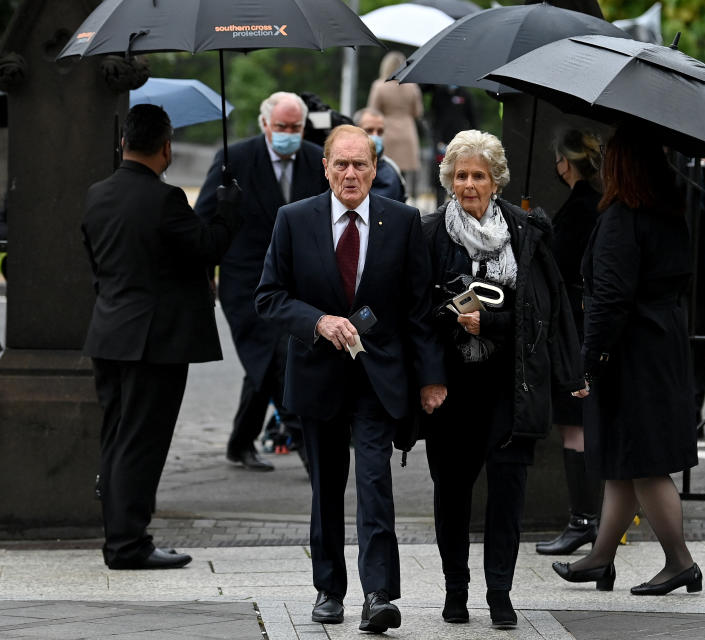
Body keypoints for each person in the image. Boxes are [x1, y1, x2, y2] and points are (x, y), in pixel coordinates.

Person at [254, 125, 447, 633]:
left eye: (360, 164)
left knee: (374, 481)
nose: (351, 174)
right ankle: (328, 590)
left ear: (375, 165)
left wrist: (430, 377)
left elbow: (418, 311)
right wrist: (317, 321)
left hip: (378, 376)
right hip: (318, 375)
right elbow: (269, 296)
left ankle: (379, 594)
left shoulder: (401, 222)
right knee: (327, 487)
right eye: (341, 164)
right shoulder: (294, 220)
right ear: (326, 167)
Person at [421, 130, 585, 627]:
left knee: (508, 492)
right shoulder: (429, 234)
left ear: (496, 181)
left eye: (479, 175)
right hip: (452, 387)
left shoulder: (526, 230)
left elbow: (543, 311)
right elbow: (415, 314)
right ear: (449, 178)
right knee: (451, 492)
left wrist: (489, 321)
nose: (469, 184)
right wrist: (434, 365)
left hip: (511, 387)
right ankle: (455, 589)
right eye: (461, 175)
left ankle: (499, 593)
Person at [82, 104, 241, 569]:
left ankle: (120, 538)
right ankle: (128, 545)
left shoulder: (96, 195)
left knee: (116, 439)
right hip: (153, 342)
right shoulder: (165, 199)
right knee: (142, 443)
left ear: (123, 142)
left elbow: (100, 262)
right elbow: (206, 246)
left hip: (109, 334)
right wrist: (228, 213)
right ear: (167, 146)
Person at [552, 123, 701, 596]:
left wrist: (589, 360)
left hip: (631, 352)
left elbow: (609, 299)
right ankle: (600, 557)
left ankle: (680, 562)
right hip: (660, 343)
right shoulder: (667, 210)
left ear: (621, 165)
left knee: (644, 462)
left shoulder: (622, 216)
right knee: (622, 459)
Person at [195, 91, 329, 471]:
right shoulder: (234, 158)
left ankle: (240, 441)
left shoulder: (312, 160)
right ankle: (306, 443)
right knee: (273, 355)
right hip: (245, 281)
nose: (289, 133)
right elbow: (204, 221)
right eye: (282, 127)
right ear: (265, 124)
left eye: (296, 127)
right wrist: (207, 272)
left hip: (296, 281)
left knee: (268, 357)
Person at [535, 128, 604, 556]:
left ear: (566, 162)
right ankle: (588, 517)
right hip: (582, 322)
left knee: (574, 425)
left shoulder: (581, 207)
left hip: (575, 326)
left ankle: (584, 518)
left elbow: (559, 264)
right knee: (576, 424)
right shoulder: (594, 202)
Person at [367, 51, 423, 191]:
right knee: (403, 174)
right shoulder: (412, 87)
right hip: (407, 131)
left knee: (386, 169)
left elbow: (372, 111)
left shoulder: (379, 86)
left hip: (387, 131)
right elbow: (418, 112)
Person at [353, 107, 407, 203]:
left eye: (380, 132)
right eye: (369, 130)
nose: (375, 136)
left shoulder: (391, 172)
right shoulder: (340, 165)